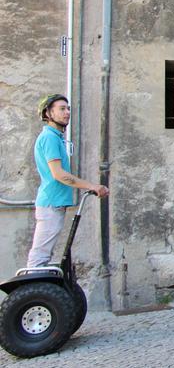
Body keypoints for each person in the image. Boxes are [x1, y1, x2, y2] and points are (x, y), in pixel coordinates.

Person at [27, 94, 109, 268]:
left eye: (68, 108)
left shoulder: (56, 137)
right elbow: (58, 174)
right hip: (50, 203)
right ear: (48, 113)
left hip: (55, 203)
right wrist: (92, 186)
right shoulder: (49, 137)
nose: (67, 112)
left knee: (43, 256)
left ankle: (38, 293)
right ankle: (33, 294)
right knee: (39, 258)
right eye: (62, 109)